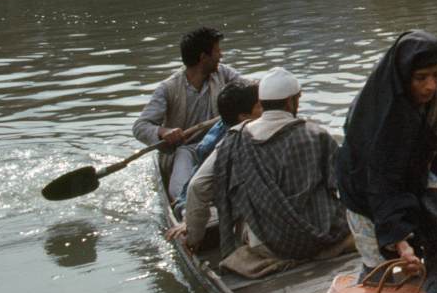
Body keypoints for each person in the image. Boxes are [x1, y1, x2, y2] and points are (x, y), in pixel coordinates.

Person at [336, 31, 437, 293]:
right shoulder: (374, 111)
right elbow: (380, 180)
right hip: (365, 182)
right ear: (402, 77)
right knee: (379, 262)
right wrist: (401, 242)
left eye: (435, 75)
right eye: (420, 78)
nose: (429, 86)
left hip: (416, 166)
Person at [169, 68, 351, 277]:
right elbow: (346, 183)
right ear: (292, 101)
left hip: (268, 246)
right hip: (322, 237)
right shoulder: (317, 134)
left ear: (262, 102)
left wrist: (194, 238)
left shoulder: (234, 139)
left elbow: (198, 187)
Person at [134, 26, 241, 202]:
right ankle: (184, 208)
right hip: (185, 151)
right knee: (181, 191)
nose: (221, 56)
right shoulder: (168, 88)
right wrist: (164, 132)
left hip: (220, 144)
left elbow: (249, 89)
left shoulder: (224, 74)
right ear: (203, 57)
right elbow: (140, 127)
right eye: (217, 51)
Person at [172, 79, 261, 215]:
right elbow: (196, 185)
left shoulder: (247, 127)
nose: (268, 108)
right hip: (203, 195)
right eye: (261, 105)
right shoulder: (219, 144)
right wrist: (186, 211)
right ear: (243, 116)